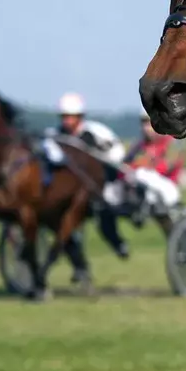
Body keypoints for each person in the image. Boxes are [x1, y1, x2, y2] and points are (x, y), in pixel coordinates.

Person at [42, 91, 130, 258]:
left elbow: (117, 152)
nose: (67, 120)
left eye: (71, 116)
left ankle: (118, 243)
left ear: (80, 116)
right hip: (74, 187)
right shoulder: (55, 135)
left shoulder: (96, 132)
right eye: (64, 116)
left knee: (106, 214)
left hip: (104, 182)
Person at [121, 110, 185, 223]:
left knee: (140, 173)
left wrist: (141, 164)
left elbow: (165, 167)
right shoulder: (139, 145)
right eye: (144, 124)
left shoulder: (172, 142)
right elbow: (125, 165)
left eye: (150, 124)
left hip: (168, 189)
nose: (146, 128)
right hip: (146, 187)